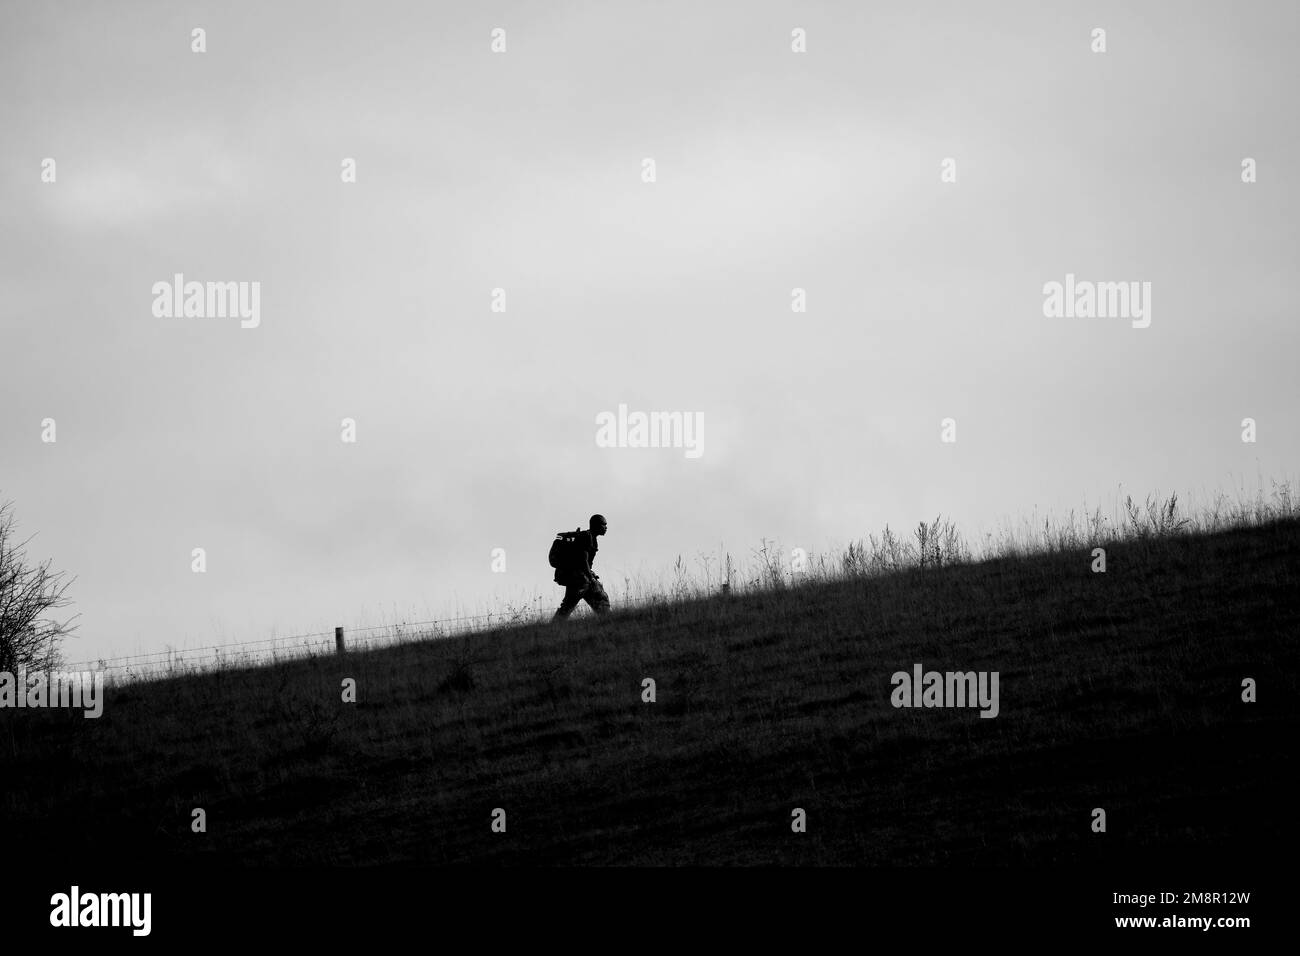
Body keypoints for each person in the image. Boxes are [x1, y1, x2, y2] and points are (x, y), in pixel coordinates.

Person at [552, 514, 610, 621]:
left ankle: (608, 622)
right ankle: (553, 627)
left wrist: (591, 575)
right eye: (603, 524)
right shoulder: (587, 537)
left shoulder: (592, 538)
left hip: (581, 578)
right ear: (596, 525)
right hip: (578, 579)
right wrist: (591, 578)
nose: (606, 527)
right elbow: (583, 560)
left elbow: (586, 562)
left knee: (600, 599)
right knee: (568, 605)